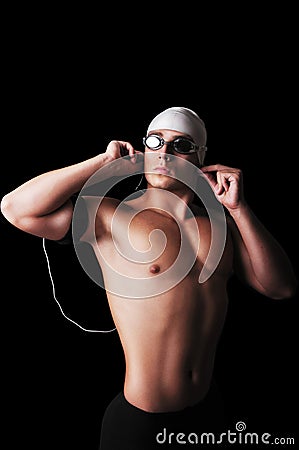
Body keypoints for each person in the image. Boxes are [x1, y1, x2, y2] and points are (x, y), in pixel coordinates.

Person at [1, 107, 297, 449]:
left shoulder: (222, 227)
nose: (165, 153)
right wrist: (101, 163)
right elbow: (16, 208)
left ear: (200, 157)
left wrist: (238, 209)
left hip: (208, 412)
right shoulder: (110, 215)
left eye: (180, 145)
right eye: (156, 141)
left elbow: (281, 288)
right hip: (141, 424)